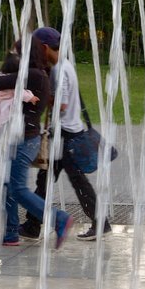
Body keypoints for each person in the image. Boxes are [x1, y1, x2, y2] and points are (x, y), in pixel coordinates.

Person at [21, 27, 110, 242]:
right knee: (45, 180)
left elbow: (61, 105)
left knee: (74, 181)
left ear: (43, 47)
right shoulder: (64, 66)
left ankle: (100, 223)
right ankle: (33, 225)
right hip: (64, 134)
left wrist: (39, 98)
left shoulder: (60, 70)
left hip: (65, 136)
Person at [0, 36, 74, 248]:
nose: (13, 56)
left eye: (16, 52)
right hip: (17, 137)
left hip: (24, 140)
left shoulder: (33, 75)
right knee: (6, 185)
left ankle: (59, 218)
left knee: (18, 188)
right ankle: (10, 233)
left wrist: (8, 64)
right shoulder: (35, 74)